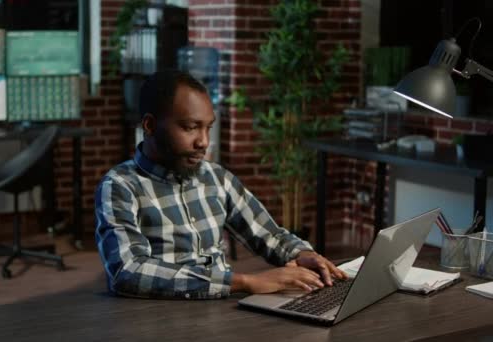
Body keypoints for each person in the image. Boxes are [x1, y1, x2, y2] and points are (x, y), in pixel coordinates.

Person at [95, 70, 347, 299]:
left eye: (208, 128)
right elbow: (128, 272)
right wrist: (246, 282)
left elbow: (268, 234)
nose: (203, 142)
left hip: (221, 313)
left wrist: (301, 254)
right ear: (149, 126)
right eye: (191, 127)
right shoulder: (120, 186)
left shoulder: (216, 177)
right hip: (157, 319)